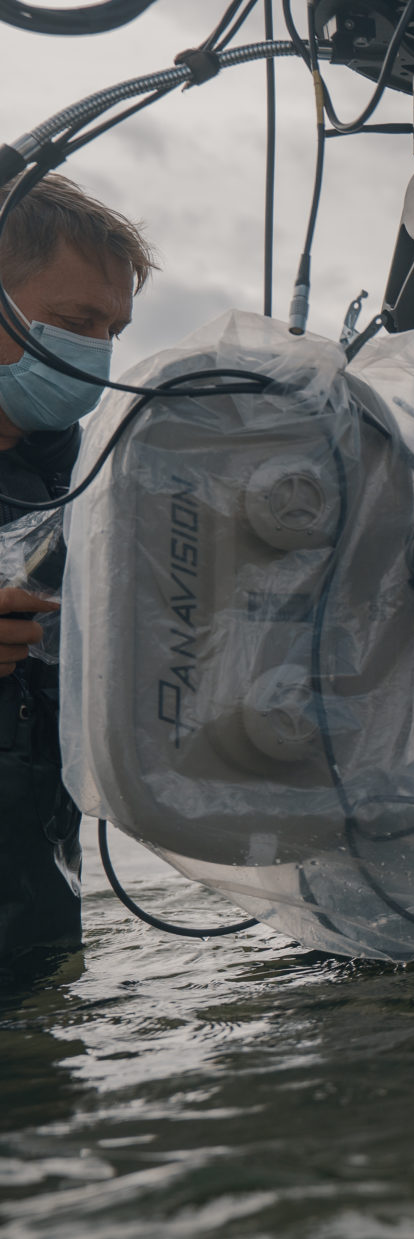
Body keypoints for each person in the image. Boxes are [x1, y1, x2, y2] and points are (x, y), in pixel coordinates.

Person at [0, 174, 151, 960]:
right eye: (74, 322)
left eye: (112, 329)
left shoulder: (85, 480)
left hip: (37, 938)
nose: (96, 354)